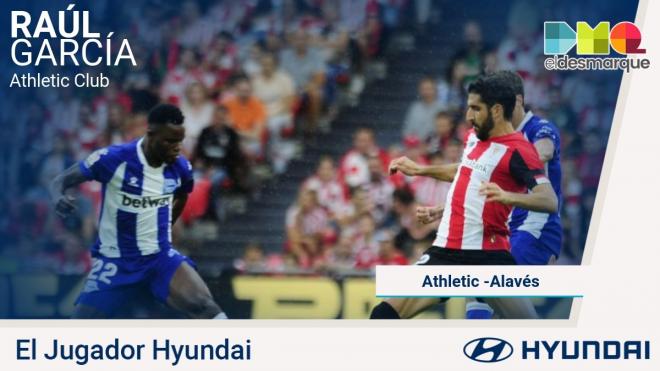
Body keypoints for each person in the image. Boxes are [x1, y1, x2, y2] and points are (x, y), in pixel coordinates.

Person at [370, 73, 558, 319]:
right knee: (383, 314)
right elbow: (465, 172)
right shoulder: (474, 138)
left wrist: (508, 197)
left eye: (476, 109)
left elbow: (549, 200)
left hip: (488, 258)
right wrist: (420, 169)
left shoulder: (519, 150)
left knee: (528, 332)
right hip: (445, 252)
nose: (469, 116)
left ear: (497, 110)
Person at [49, 104, 227, 319]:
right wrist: (58, 198)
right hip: (117, 260)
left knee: (205, 307)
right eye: (170, 141)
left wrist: (166, 226)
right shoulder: (113, 159)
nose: (177, 148)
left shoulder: (180, 167)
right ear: (151, 135)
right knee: (82, 324)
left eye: (179, 141)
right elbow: (60, 181)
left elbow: (182, 194)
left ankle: (239, 351)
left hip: (158, 257)